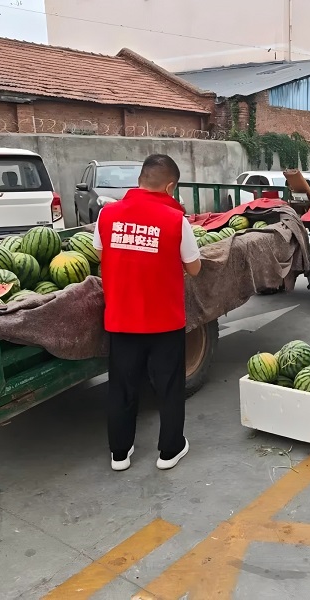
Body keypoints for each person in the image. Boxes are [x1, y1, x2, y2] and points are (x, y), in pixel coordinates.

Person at [93, 154, 202, 472]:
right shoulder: (176, 220)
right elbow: (194, 268)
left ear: (140, 180)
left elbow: (100, 252)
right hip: (164, 321)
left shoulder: (107, 214)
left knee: (122, 387)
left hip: (121, 319)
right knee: (168, 387)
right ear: (170, 186)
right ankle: (170, 450)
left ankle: (119, 453)